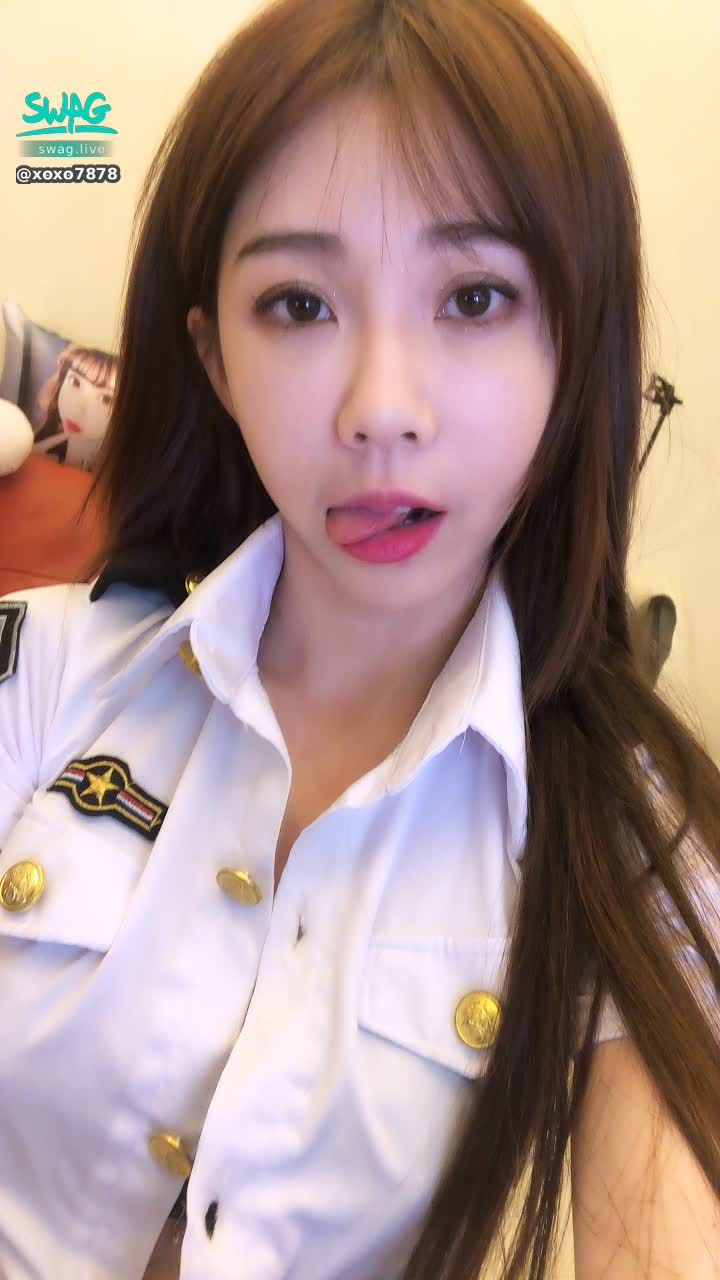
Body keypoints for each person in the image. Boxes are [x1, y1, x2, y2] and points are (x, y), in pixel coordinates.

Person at [1, 0, 718, 1276]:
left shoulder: (634, 838)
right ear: (215, 361)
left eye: (476, 296)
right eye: (298, 303)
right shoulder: (47, 673)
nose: (383, 410)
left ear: (573, 346)